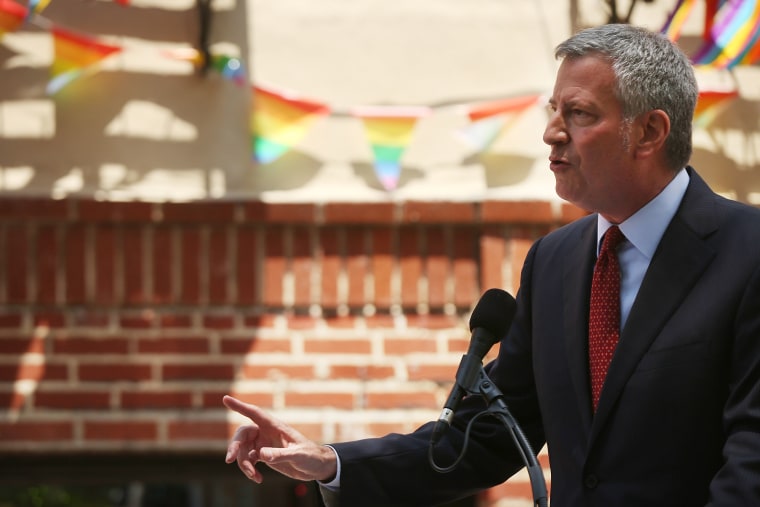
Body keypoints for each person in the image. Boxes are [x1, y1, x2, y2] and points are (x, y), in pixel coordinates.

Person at [224, 23, 760, 506]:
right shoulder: (555, 262)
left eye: (579, 114)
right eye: (553, 109)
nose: (552, 132)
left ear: (649, 132)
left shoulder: (748, 252)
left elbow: (751, 463)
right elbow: (489, 438)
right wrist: (332, 462)